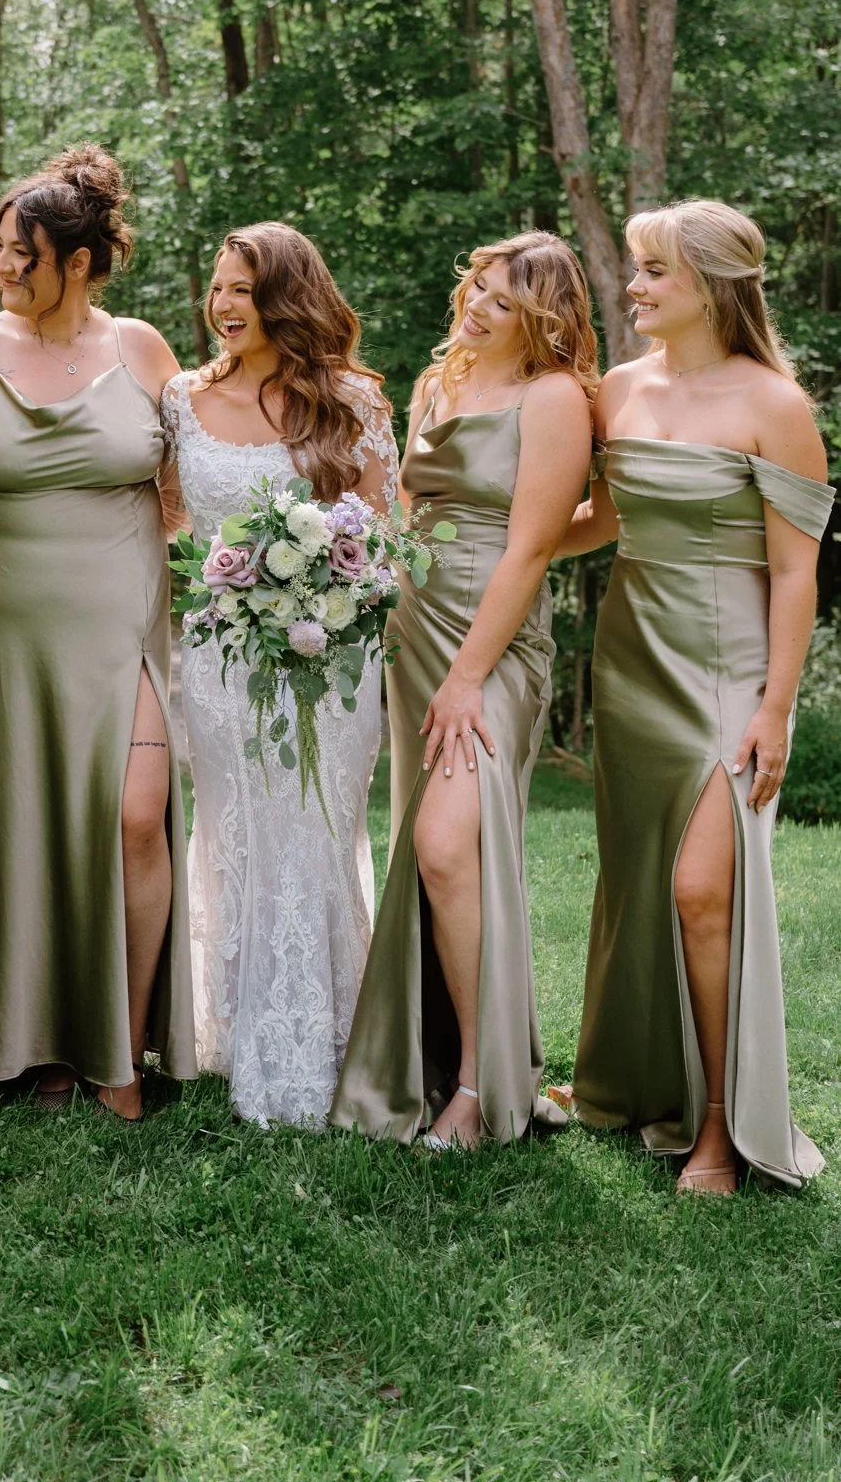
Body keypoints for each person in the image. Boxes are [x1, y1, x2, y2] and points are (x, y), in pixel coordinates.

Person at [560, 200, 832, 1193]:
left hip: (728, 670)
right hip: (632, 661)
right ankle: (636, 1083)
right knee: (640, 884)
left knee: (699, 890)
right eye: (634, 269)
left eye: (649, 272)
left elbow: (795, 573)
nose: (631, 287)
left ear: (710, 283)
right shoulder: (616, 390)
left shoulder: (773, 403)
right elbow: (599, 516)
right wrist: (505, 550)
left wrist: (772, 707)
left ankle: (719, 1128)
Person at [0, 144, 196, 1118]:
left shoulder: (140, 349)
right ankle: (30, 1039)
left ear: (76, 261)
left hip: (118, 612)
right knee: (21, 822)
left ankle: (118, 1046)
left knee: (132, 816)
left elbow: (182, 490)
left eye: (19, 252)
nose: (0, 266)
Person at [331, 231, 595, 1149]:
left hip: (493, 642)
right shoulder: (437, 384)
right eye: (474, 289)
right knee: (437, 847)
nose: (474, 307)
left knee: (446, 845)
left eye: (499, 299)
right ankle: (451, 1065)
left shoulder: (554, 399)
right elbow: (406, 510)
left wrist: (471, 675)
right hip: (413, 632)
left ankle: (484, 1092)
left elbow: (531, 546)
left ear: (541, 314)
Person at [161, 223, 400, 1128]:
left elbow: (385, 530)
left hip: (334, 660)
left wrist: (327, 584)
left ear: (286, 299)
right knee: (233, 829)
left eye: (244, 291)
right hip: (220, 653)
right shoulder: (180, 399)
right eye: (217, 288)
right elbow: (168, 510)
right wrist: (223, 585)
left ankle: (331, 1037)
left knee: (315, 828)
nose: (224, 306)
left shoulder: (350, 400)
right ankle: (232, 1028)